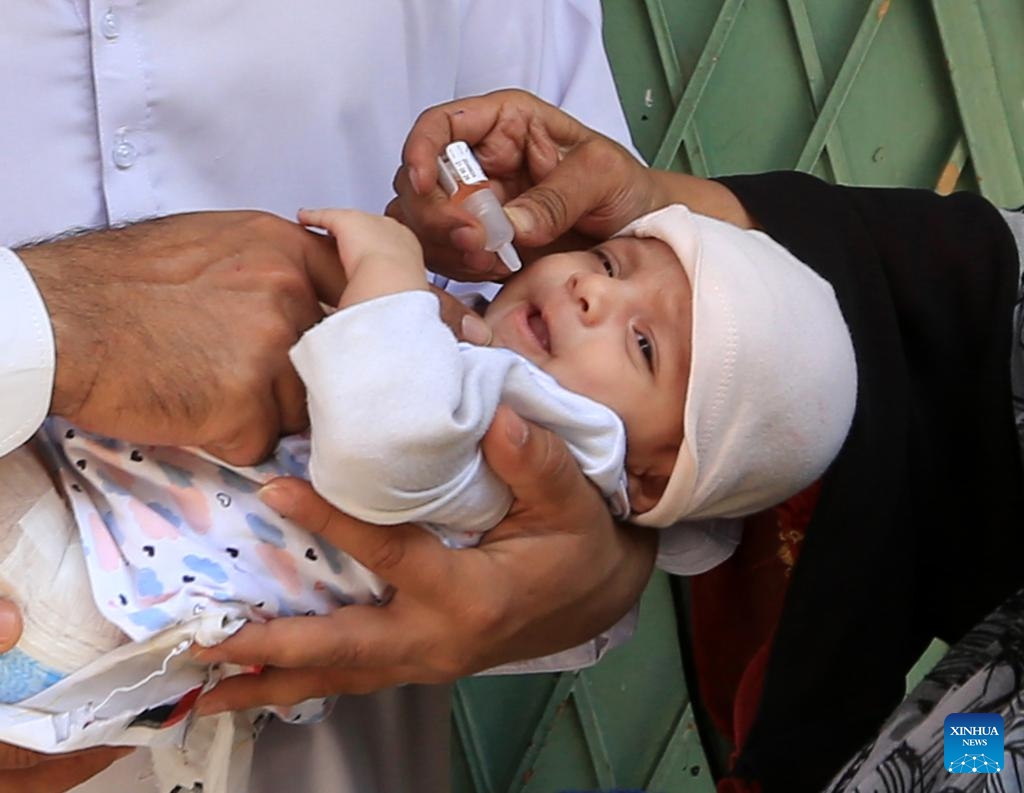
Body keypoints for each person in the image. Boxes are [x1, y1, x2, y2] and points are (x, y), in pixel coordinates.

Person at [194, 89, 1024, 793]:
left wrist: (389, 272)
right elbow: (975, 289)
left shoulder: (517, 463)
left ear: (650, 477)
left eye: (645, 347)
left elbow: (384, 431)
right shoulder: (497, 377)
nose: (589, 289)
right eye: (611, 261)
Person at [0, 5, 662, 792]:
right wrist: (50, 317)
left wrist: (594, 570)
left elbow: (682, 419)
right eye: (608, 274)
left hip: (267, 717)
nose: (594, 292)